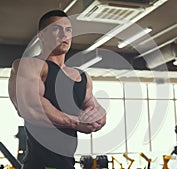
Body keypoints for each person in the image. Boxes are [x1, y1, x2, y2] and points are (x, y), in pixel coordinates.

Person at [8, 10, 106, 169]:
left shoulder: (83, 77)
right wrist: (76, 122)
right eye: (56, 29)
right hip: (38, 165)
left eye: (68, 30)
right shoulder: (29, 66)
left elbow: (95, 110)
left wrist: (99, 117)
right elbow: (31, 109)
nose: (64, 34)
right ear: (41, 35)